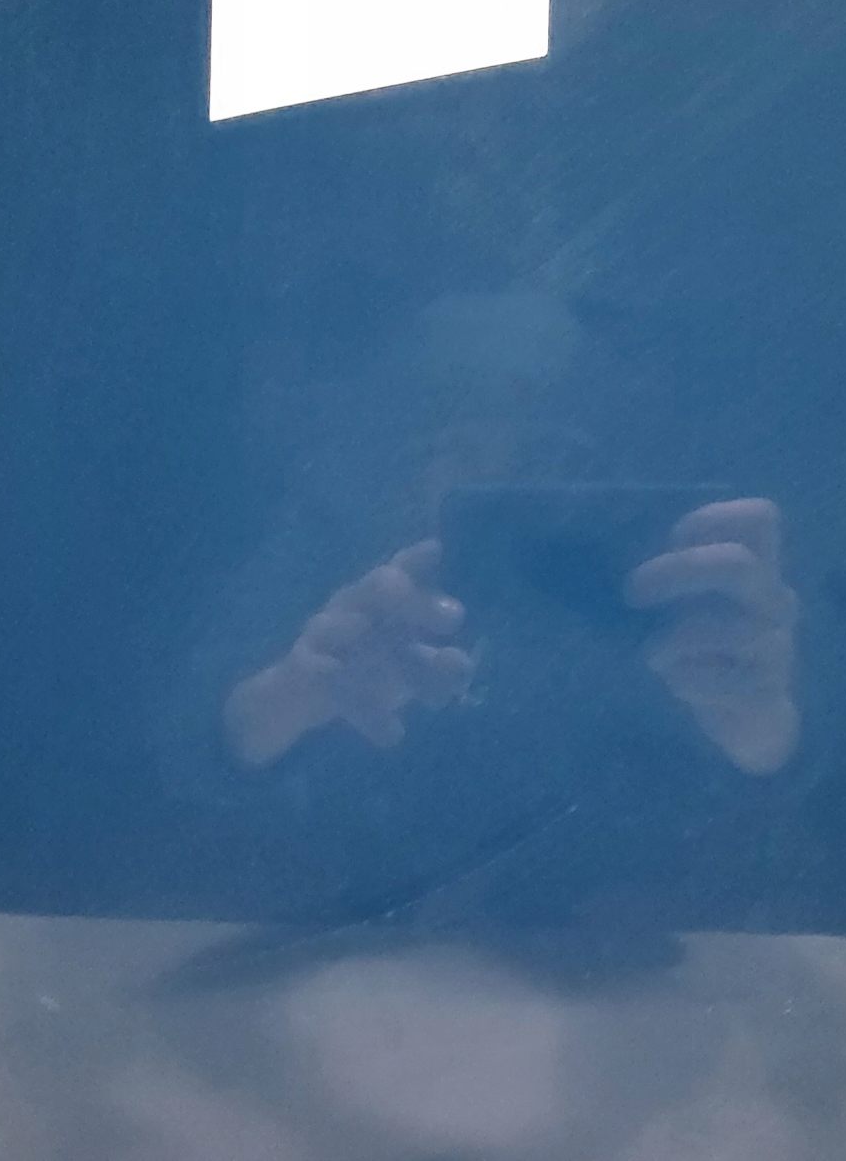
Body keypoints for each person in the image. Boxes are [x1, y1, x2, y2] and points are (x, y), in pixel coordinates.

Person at [159, 291, 803, 949]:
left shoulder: (661, 575)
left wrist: (761, 731)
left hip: (615, 966)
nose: (502, 468)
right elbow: (187, 748)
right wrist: (291, 695)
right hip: (354, 955)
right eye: (455, 438)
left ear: (598, 462)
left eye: (549, 448)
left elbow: (781, 832)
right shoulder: (328, 546)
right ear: (395, 444)